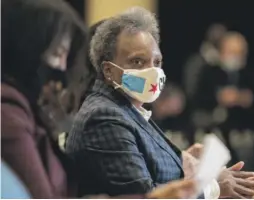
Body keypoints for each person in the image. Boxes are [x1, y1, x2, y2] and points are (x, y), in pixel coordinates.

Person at [66, 7, 254, 198]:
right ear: (108, 70)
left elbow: (153, 167)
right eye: (138, 61)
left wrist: (181, 160)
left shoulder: (128, 109)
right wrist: (213, 187)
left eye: (157, 62)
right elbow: (144, 195)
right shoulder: (104, 116)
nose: (152, 71)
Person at [1, 0, 199, 199]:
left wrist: (180, 162)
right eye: (57, 54)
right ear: (24, 49)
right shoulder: (8, 112)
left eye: (157, 62)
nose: (62, 69)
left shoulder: (28, 111)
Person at [193, 31, 254, 165]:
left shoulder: (248, 74)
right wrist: (218, 98)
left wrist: (243, 98)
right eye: (232, 52)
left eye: (240, 52)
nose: (236, 57)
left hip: (242, 134)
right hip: (212, 130)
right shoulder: (209, 72)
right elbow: (197, 102)